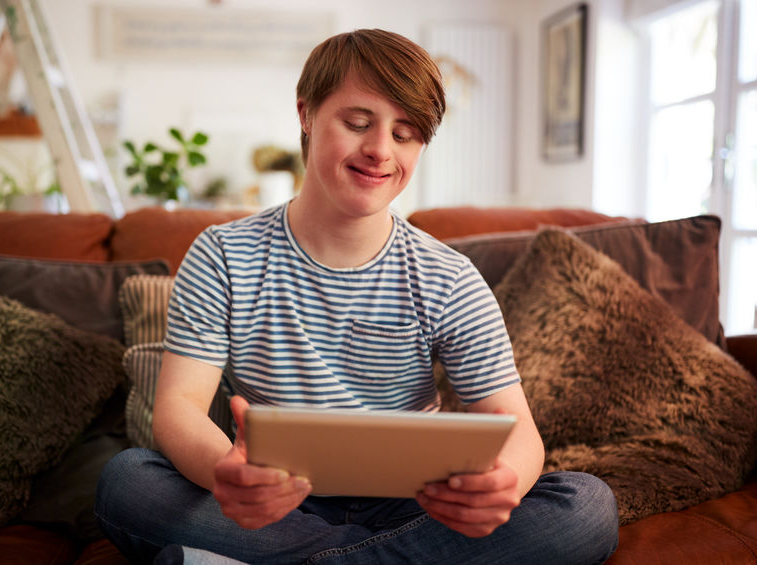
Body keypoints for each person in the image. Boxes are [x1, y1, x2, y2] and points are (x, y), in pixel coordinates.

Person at [95, 28, 619, 565]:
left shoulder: (448, 277)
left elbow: (519, 431)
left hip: (413, 508)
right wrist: (229, 474)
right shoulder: (223, 254)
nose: (379, 151)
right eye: (358, 123)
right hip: (275, 505)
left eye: (405, 133)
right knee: (128, 481)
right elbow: (178, 407)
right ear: (306, 113)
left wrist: (502, 483)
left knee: (586, 507)